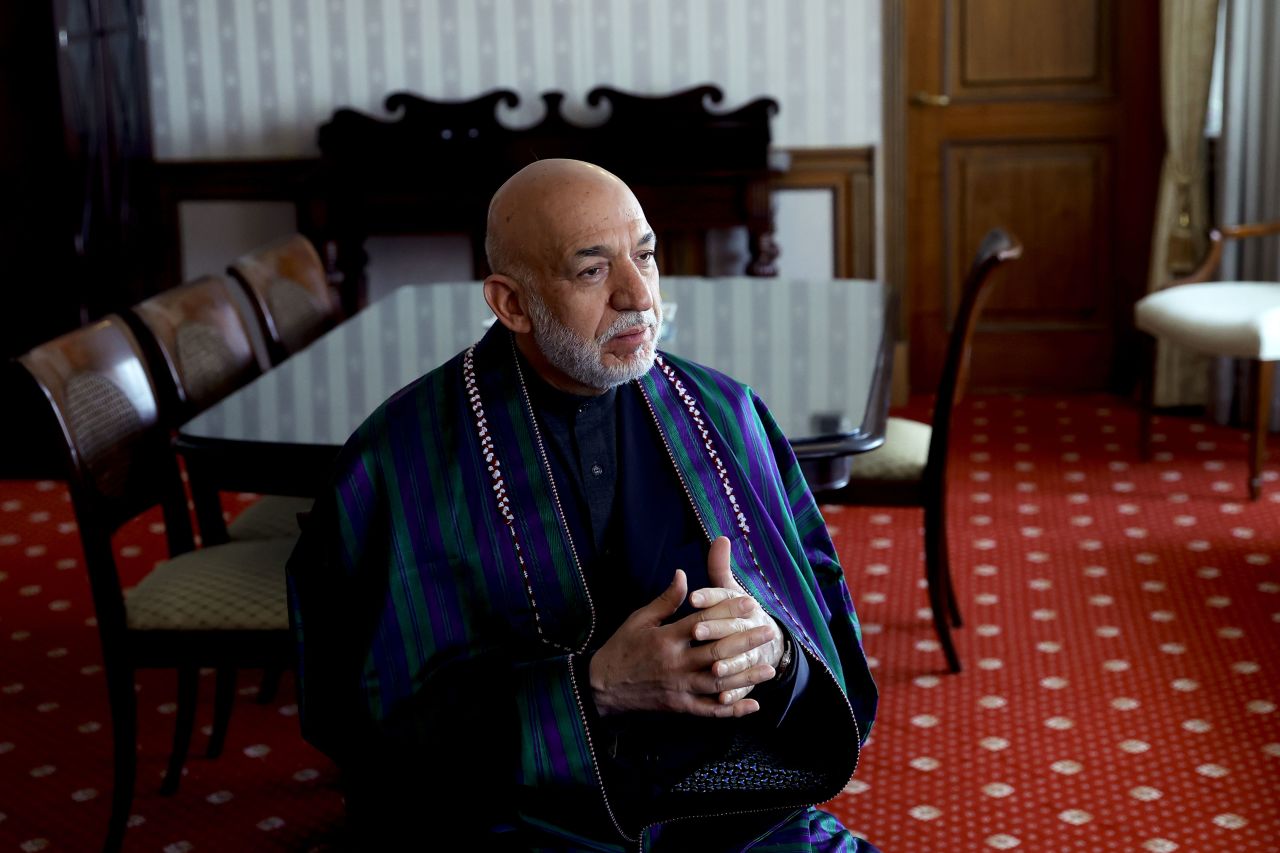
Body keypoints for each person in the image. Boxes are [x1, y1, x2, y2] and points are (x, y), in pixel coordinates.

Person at [287, 159, 879, 851]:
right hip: (511, 819)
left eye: (647, 255)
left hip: (727, 806)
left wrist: (773, 651)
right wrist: (594, 687)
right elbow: (363, 720)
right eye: (592, 271)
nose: (638, 295)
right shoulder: (399, 460)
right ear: (511, 304)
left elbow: (822, 631)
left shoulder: (726, 413)